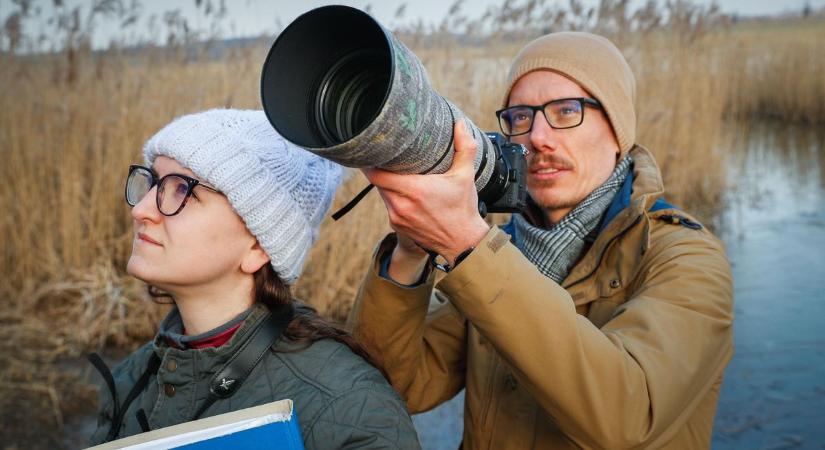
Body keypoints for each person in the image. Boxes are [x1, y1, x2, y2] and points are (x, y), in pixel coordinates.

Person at [347, 32, 733, 449]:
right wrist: (411, 250)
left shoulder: (686, 257)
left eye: (567, 111)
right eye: (520, 117)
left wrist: (468, 245)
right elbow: (395, 386)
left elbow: (627, 414)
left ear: (618, 131)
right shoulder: (498, 253)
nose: (539, 138)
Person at [89, 109, 420, 449]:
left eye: (182, 191)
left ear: (258, 246)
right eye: (154, 182)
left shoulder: (346, 404)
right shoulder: (131, 380)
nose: (141, 210)